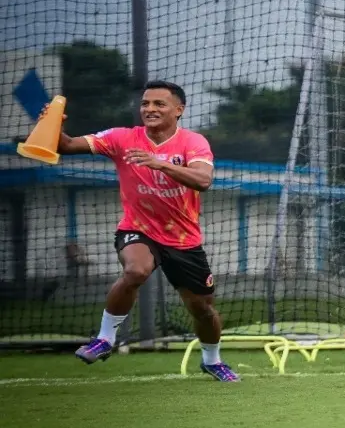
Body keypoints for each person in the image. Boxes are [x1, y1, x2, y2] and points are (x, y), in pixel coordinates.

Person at [52, 81, 238, 381]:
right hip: (137, 229)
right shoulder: (121, 137)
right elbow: (66, 145)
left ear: (178, 110)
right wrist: (52, 124)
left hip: (183, 240)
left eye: (159, 104)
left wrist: (159, 164)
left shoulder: (193, 142)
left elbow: (203, 180)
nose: (150, 109)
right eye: (145, 104)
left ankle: (212, 360)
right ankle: (105, 339)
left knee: (203, 309)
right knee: (136, 270)